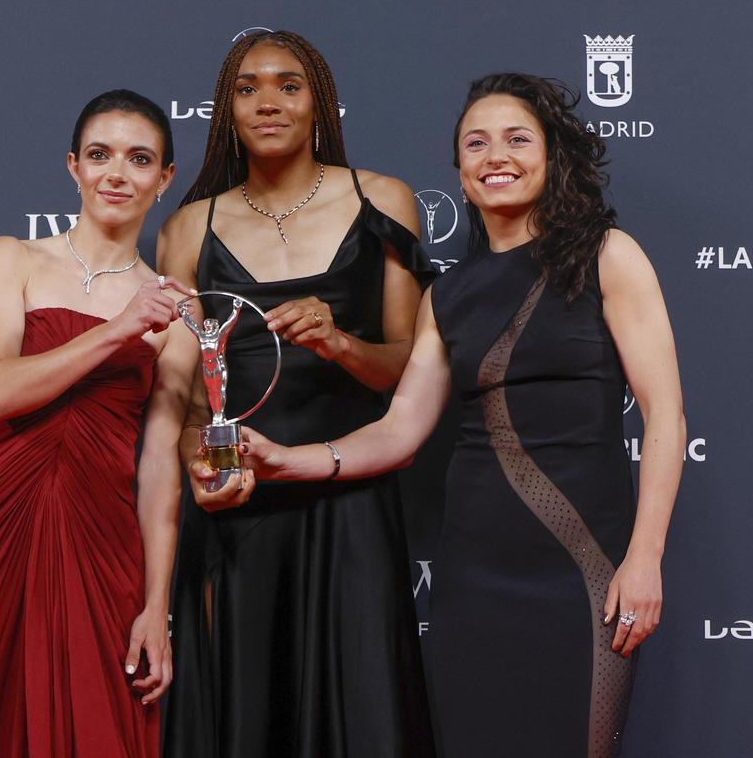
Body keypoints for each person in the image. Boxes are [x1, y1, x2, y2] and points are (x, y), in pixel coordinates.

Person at [239, 73, 686, 758]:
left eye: (517, 139)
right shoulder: (447, 295)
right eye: (476, 144)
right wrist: (285, 460)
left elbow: (665, 416)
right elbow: (399, 431)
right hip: (472, 581)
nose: (495, 156)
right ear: (459, 171)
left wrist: (645, 557)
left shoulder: (606, 256)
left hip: (582, 575)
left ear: (552, 154)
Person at [157, 30, 436, 757]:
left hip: (350, 495)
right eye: (247, 88)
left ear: (320, 104)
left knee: (361, 713)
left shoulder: (383, 200)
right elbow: (190, 403)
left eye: (289, 85)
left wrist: (339, 342)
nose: (268, 102)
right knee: (249, 714)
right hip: (242, 504)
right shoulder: (189, 228)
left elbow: (406, 369)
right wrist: (202, 468)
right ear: (227, 111)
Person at [0, 89, 198, 757]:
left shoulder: (180, 315)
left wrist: (156, 606)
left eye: (139, 159)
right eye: (99, 155)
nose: (116, 174)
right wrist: (121, 328)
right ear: (73, 166)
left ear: (164, 178)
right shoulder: (10, 258)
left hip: (100, 547)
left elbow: (160, 469)